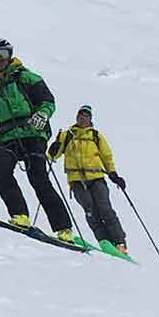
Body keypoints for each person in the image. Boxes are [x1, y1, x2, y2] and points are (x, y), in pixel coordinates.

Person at [0, 39, 76, 241]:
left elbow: (47, 100)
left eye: (3, 54)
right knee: (1, 169)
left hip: (32, 133)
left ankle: (64, 228)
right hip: (7, 136)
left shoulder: (27, 77)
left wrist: (42, 115)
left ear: (10, 55)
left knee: (39, 179)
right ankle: (20, 215)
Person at [48, 104, 129, 253]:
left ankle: (119, 242)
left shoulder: (96, 136)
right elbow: (53, 155)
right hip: (76, 180)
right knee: (90, 211)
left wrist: (113, 174)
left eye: (86, 116)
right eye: (80, 115)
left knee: (105, 209)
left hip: (96, 177)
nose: (82, 118)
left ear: (90, 119)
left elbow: (106, 156)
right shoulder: (67, 135)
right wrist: (53, 149)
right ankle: (104, 241)